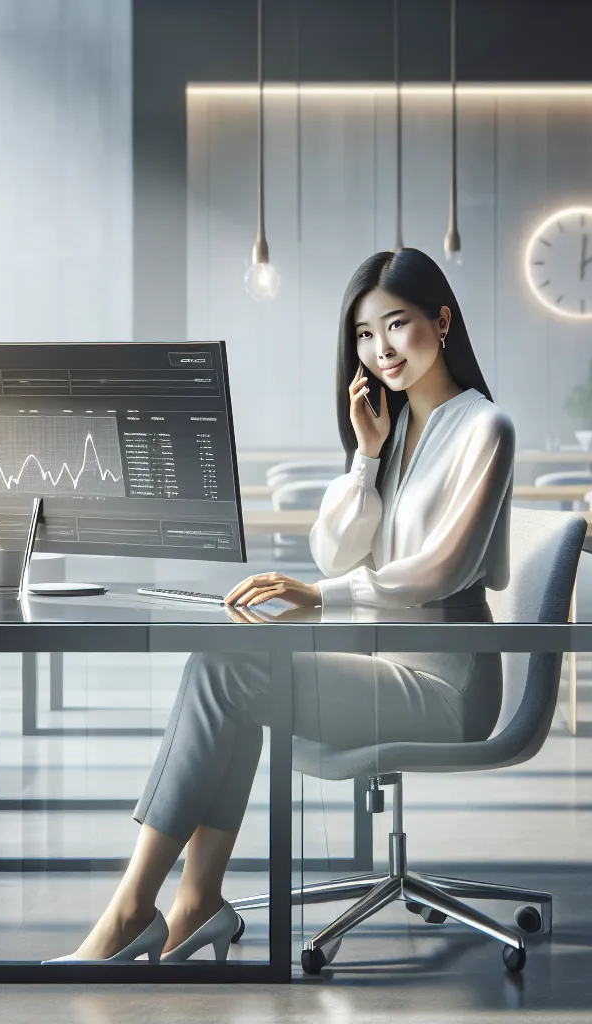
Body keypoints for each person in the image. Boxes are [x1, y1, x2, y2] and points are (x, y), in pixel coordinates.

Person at [57, 247, 514, 964]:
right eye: (364, 334)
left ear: (443, 321)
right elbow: (335, 551)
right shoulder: (395, 433)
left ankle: (135, 911)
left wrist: (319, 597)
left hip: (446, 684)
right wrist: (366, 457)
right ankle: (192, 904)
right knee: (227, 664)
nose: (382, 349)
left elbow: (441, 571)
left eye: (397, 324)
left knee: (228, 670)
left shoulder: (486, 428)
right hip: (378, 661)